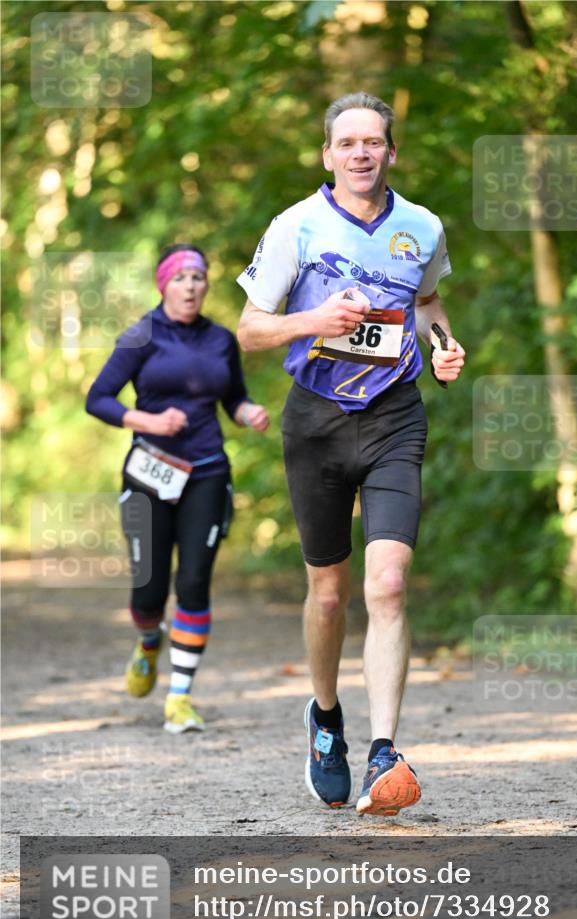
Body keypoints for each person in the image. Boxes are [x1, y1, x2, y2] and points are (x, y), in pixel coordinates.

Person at [236, 93, 465, 815]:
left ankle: (383, 751)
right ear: (328, 155)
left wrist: (442, 345)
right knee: (329, 593)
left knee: (389, 586)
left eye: (374, 142)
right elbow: (247, 329)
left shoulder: (421, 227)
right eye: (348, 143)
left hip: (396, 417)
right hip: (316, 422)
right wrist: (315, 319)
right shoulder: (294, 227)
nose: (362, 153)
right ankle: (327, 719)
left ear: (390, 152)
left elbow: (426, 303)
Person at [86, 244, 269, 733]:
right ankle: (149, 641)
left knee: (192, 583)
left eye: (199, 277)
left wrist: (246, 413)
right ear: (163, 284)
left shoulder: (220, 339)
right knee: (149, 591)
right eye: (182, 277)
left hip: (207, 471)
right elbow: (97, 399)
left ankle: (180, 698)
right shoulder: (140, 335)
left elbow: (234, 395)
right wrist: (146, 419)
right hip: (149, 472)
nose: (192, 285)